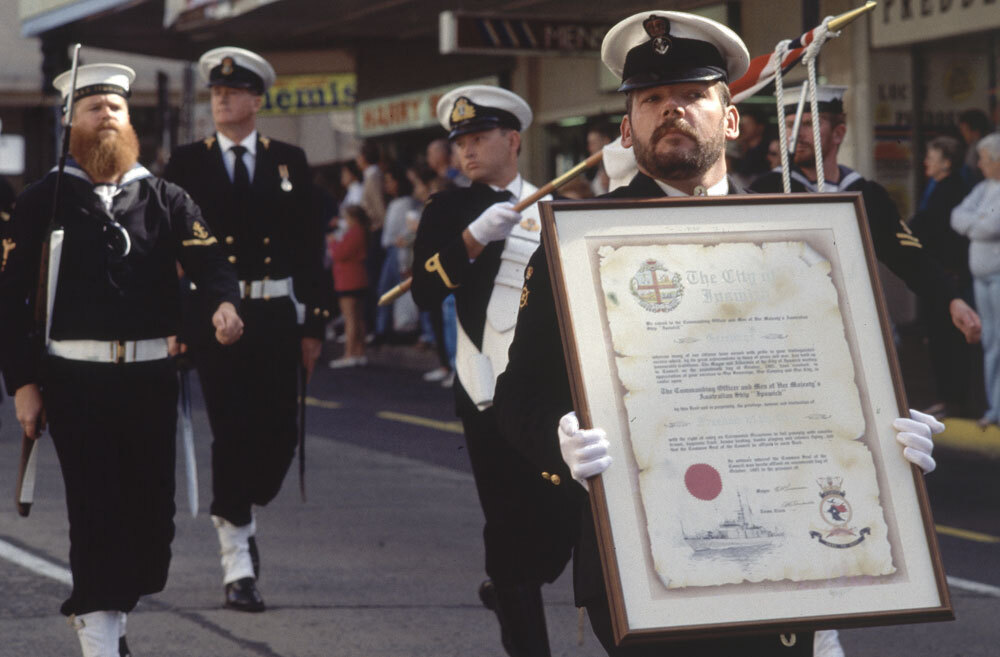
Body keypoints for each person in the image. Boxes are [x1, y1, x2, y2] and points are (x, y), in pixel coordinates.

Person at [493, 12, 944, 657]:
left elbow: (829, 375)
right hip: (645, 565)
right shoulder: (577, 242)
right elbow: (516, 396)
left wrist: (884, 429)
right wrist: (557, 438)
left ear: (730, 118)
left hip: (791, 556)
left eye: (692, 96)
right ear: (629, 128)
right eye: (652, 99)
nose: (671, 110)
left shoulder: (801, 229)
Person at [0, 63, 242, 657]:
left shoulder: (164, 197)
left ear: (129, 120)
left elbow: (211, 263)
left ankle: (111, 610)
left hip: (151, 378)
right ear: (70, 123)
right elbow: (9, 300)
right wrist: (23, 384)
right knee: (97, 508)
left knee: (150, 526)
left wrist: (223, 305)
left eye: (115, 108)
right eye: (93, 108)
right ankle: (100, 633)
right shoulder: (41, 201)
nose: (106, 115)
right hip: (75, 380)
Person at [410, 85, 580, 656]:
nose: (467, 152)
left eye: (479, 138)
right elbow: (428, 292)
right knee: (508, 524)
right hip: (483, 387)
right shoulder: (449, 209)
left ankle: (507, 586)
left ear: (512, 139)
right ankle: (524, 630)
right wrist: (473, 239)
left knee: (561, 519)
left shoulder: (553, 202)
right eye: (460, 142)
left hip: (545, 391)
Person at [163, 46, 329, 612]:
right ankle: (237, 561)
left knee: (279, 435)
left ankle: (242, 507)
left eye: (233, 92)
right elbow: (171, 251)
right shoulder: (187, 163)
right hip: (215, 317)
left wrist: (317, 322)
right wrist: (175, 323)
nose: (222, 99)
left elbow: (311, 248)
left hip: (277, 314)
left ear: (257, 100)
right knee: (231, 434)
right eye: (215, 92)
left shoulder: (289, 160)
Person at [749, 85, 982, 346]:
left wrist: (951, 299)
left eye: (808, 124)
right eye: (790, 125)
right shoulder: (764, 190)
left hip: (851, 329)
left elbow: (907, 255)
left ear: (839, 133)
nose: (797, 135)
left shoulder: (864, 192)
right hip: (786, 331)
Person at [909, 136, 975, 418]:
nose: (926, 162)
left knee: (946, 340)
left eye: (932, 157)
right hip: (938, 272)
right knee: (938, 338)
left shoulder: (952, 189)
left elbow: (928, 226)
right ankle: (947, 397)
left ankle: (952, 399)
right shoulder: (937, 186)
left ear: (947, 163)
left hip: (947, 275)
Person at [951, 133, 1000, 428]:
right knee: (990, 342)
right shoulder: (984, 188)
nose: (980, 165)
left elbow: (992, 226)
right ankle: (995, 408)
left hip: (997, 276)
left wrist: (975, 225)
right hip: (982, 277)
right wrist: (977, 225)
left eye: (983, 159)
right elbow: (956, 216)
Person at [372, 163, 421, 345]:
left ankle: (390, 330)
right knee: (386, 290)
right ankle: (383, 329)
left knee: (393, 289)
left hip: (400, 251)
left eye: (390, 181)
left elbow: (407, 230)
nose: (387, 185)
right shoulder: (394, 203)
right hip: (392, 250)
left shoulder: (407, 203)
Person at [328, 204, 369, 368]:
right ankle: (359, 352)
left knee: (350, 318)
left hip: (348, 279)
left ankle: (349, 354)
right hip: (357, 277)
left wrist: (332, 243)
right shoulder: (361, 232)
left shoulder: (354, 233)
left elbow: (339, 254)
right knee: (358, 318)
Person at [957, 108, 992, 189]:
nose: (962, 134)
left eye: (964, 130)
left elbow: (968, 176)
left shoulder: (976, 149)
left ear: (975, 131)